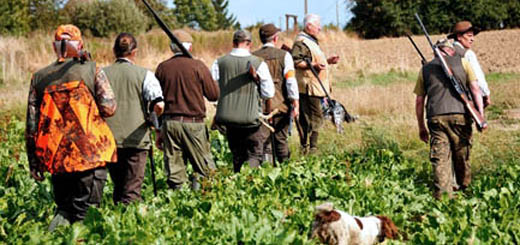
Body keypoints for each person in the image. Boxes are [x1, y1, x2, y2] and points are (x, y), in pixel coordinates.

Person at [25, 24, 117, 230]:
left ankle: (49, 240)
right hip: (90, 155)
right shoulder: (92, 69)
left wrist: (34, 162)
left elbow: (31, 125)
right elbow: (110, 107)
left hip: (57, 157)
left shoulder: (39, 78)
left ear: (53, 47)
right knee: (87, 212)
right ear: (81, 44)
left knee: (64, 209)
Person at [414, 39, 485, 199]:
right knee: (462, 153)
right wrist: (480, 114)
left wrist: (421, 127)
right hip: (460, 115)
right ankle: (464, 189)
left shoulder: (425, 69)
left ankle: (443, 197)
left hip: (435, 117)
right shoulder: (464, 63)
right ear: (451, 51)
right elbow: (475, 89)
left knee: (440, 159)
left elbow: (419, 101)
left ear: (436, 52)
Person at [103, 33, 164, 204]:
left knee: (118, 186)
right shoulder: (145, 75)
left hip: (109, 139)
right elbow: (158, 105)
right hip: (136, 141)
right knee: (132, 190)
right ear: (134, 52)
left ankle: (116, 222)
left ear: (115, 51)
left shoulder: (101, 74)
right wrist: (154, 121)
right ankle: (129, 225)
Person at [155, 30, 220, 190]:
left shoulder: (162, 68)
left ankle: (178, 203)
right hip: (193, 124)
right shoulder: (198, 66)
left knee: (175, 172)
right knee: (205, 169)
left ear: (172, 48)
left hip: (170, 124)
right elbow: (213, 95)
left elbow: (155, 100)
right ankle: (200, 200)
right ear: (189, 48)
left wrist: (158, 130)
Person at [211, 30, 275, 172]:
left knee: (237, 154)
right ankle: (249, 182)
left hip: (227, 119)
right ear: (250, 44)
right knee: (254, 154)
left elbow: (212, 91)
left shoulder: (219, 62)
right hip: (250, 119)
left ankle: (236, 181)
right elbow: (268, 93)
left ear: (233, 43)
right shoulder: (258, 63)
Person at [291, 14, 340, 154]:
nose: (320, 27)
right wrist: (313, 65)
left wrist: (327, 61)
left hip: (313, 86)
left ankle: (307, 147)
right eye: (317, 25)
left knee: (311, 118)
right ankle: (311, 148)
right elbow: (295, 61)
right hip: (309, 87)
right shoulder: (302, 41)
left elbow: (310, 59)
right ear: (309, 26)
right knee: (313, 118)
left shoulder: (310, 41)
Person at [252, 23, 299, 163]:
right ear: (275, 38)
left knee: (262, 142)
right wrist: (295, 102)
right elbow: (290, 81)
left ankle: (265, 172)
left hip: (259, 107)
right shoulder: (285, 56)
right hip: (281, 105)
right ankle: (285, 170)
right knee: (281, 139)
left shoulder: (252, 57)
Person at [448, 21, 491, 108]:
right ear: (459, 37)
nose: (472, 39)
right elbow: (478, 77)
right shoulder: (468, 54)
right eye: (469, 36)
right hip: (467, 99)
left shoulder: (445, 53)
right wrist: (486, 94)